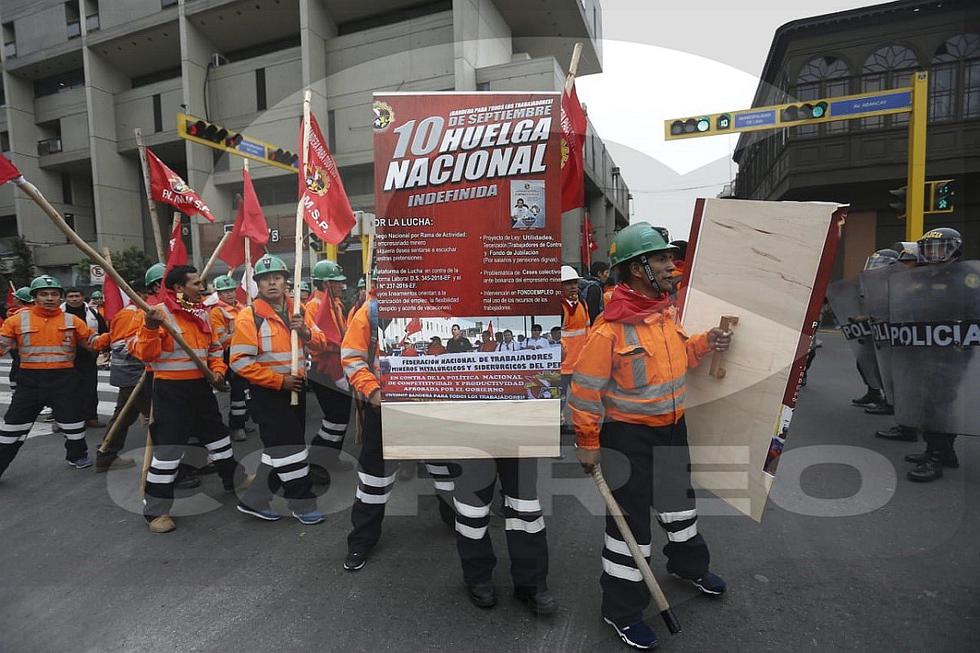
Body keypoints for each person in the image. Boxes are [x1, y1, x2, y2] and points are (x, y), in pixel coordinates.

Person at [570, 223, 732, 649]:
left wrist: (706, 343)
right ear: (638, 269)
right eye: (660, 259)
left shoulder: (664, 315)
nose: (670, 265)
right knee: (630, 528)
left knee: (680, 510)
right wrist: (587, 445)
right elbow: (584, 394)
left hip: (673, 430)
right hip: (629, 440)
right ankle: (620, 610)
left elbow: (680, 359)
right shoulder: (608, 331)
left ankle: (687, 566)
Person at [340, 294, 458, 571]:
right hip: (383, 407)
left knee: (445, 467)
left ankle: (455, 519)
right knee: (374, 478)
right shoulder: (370, 312)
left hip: (431, 406)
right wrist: (372, 390)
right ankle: (362, 540)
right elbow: (352, 358)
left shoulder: (437, 304)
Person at [133, 265, 240, 534]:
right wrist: (149, 327)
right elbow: (144, 354)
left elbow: (214, 348)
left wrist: (217, 371)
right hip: (171, 392)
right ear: (179, 288)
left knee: (219, 439)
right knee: (168, 453)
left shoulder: (203, 312)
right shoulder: (159, 314)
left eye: (202, 282)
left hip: (201, 389)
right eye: (196, 283)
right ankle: (156, 510)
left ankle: (233, 479)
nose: (202, 287)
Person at [231, 255, 325, 524]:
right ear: (257, 284)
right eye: (265, 279)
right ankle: (302, 503)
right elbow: (239, 362)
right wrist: (277, 381)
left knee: (279, 450)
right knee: (291, 447)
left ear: (286, 281)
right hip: (268, 392)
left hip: (297, 387)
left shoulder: (300, 309)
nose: (271, 283)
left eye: (277, 278)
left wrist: (305, 332)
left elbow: (320, 343)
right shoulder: (249, 317)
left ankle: (254, 500)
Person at [0, 275, 109, 478]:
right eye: (44, 294)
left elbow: (92, 342)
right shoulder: (16, 320)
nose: (49, 298)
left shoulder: (72, 320)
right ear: (35, 297)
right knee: (12, 428)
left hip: (64, 380)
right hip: (30, 382)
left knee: (74, 424)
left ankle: (77, 456)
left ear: (60, 297)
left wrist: (113, 335)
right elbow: (2, 345)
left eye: (54, 294)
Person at [904, 228, 966, 482]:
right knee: (930, 400)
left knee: (939, 402)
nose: (933, 253)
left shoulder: (966, 277)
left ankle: (935, 457)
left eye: (939, 248)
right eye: (929, 248)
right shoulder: (926, 276)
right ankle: (943, 451)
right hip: (926, 347)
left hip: (953, 350)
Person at [96, 275, 154, 472]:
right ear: (139, 295)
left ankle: (106, 454)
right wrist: (148, 351)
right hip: (132, 374)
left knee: (124, 415)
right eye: (149, 294)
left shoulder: (141, 312)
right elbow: (120, 345)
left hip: (135, 374)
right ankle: (168, 463)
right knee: (158, 417)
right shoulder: (129, 315)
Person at [305, 259, 353, 485]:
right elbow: (324, 343)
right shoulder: (315, 306)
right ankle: (316, 462)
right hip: (324, 368)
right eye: (336, 283)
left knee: (341, 416)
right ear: (325, 283)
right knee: (334, 418)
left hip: (336, 364)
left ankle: (330, 458)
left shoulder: (336, 303)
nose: (342, 286)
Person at [209, 274, 249, 442]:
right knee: (238, 390)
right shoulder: (216, 312)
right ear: (218, 294)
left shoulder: (242, 307)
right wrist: (242, 334)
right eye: (225, 292)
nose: (230, 294)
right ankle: (237, 427)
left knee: (245, 390)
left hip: (245, 351)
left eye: (232, 290)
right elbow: (221, 339)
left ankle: (241, 421)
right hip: (228, 354)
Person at [63, 287, 109, 427]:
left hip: (88, 357)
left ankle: (90, 417)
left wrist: (106, 349)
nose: (74, 299)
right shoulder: (58, 313)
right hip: (65, 359)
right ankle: (65, 419)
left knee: (89, 388)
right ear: (65, 298)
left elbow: (103, 332)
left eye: (77, 295)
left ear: (83, 297)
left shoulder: (92, 313)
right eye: (71, 296)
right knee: (66, 390)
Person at [560, 265, 590, 402]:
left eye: (574, 283)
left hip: (580, 364)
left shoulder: (582, 303)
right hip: (562, 368)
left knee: (584, 401)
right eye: (567, 283)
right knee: (560, 400)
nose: (573, 286)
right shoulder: (560, 307)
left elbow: (587, 330)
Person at [5, 286, 33, 393]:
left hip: (20, 349)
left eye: (15, 298)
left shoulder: (16, 315)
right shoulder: (39, 313)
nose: (13, 299)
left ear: (20, 300)